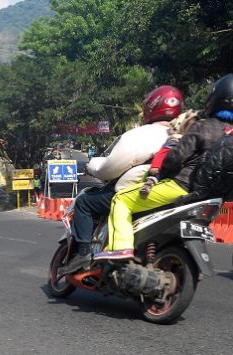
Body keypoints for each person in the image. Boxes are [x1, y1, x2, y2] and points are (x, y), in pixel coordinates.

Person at [96, 74, 233, 260]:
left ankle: (119, 248)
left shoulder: (203, 126)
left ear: (214, 100)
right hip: (212, 198)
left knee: (120, 200)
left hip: (181, 187)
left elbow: (176, 158)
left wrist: (160, 170)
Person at [60, 85, 184, 274]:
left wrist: (93, 165)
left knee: (85, 202)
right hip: (170, 192)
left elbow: (110, 168)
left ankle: (83, 253)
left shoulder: (143, 134)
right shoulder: (185, 135)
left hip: (136, 191)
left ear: (151, 107)